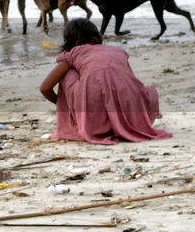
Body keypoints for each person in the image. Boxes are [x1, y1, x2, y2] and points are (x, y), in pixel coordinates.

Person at [40, 18, 171, 143]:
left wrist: (63, 103)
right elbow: (130, 79)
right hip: (130, 106)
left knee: (68, 71)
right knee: (120, 81)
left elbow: (45, 88)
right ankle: (119, 124)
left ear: (69, 39)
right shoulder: (118, 51)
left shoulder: (72, 54)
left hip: (92, 108)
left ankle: (99, 123)